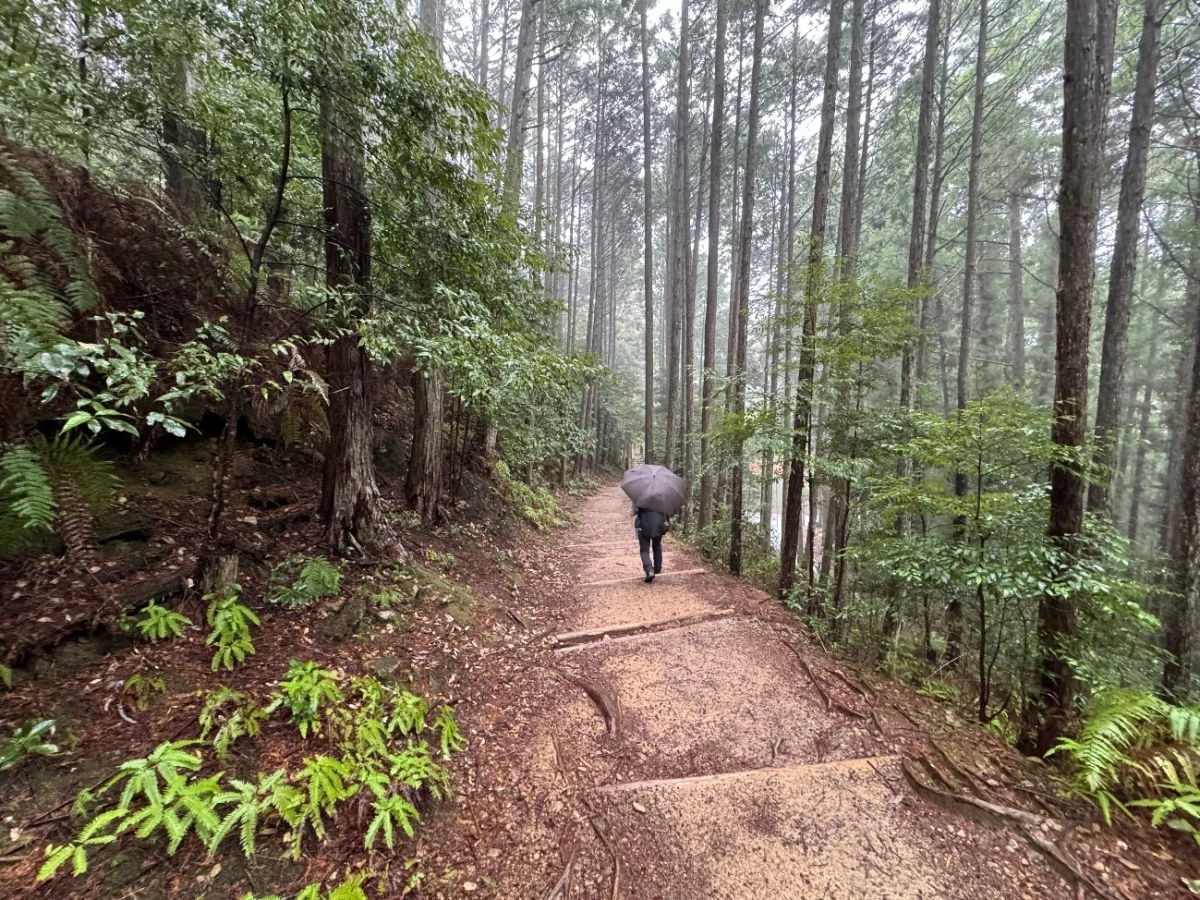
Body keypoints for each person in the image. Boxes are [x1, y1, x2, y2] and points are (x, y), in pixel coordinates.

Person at [631, 502, 670, 583]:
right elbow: (667, 513)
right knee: (657, 546)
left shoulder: (640, 497)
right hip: (658, 526)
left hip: (643, 528)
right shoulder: (662, 497)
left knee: (644, 550)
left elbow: (631, 513)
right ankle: (657, 570)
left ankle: (649, 570)